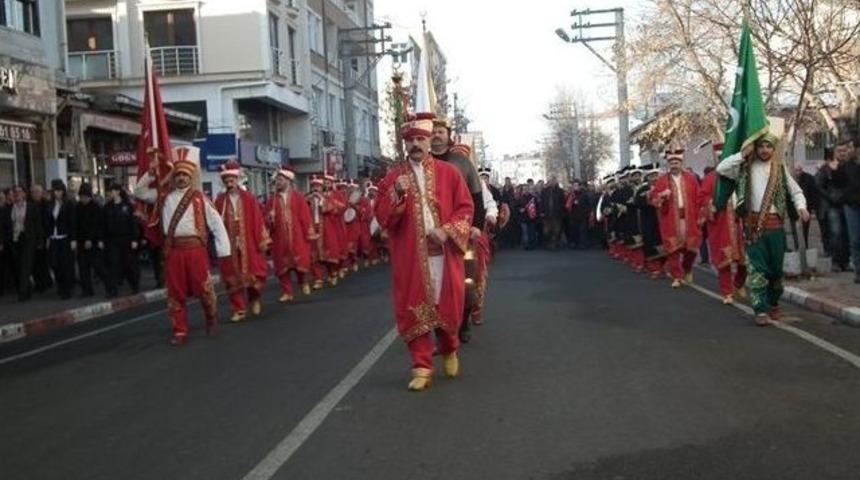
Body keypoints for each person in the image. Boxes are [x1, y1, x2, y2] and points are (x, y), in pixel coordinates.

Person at [375, 112, 474, 391]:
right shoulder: (393, 178)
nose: (416, 144)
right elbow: (383, 217)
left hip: (444, 253)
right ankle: (421, 366)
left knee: (448, 307)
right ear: (405, 144)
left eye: (421, 139)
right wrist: (396, 193)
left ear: (430, 141)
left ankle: (449, 347)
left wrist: (447, 230)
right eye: (411, 140)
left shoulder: (450, 173)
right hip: (411, 258)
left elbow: (466, 208)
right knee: (414, 307)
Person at [134, 147, 231, 345]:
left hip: (196, 250)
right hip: (174, 251)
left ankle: (211, 318)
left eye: (184, 175)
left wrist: (224, 251)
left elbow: (217, 224)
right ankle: (179, 330)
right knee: (175, 292)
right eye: (177, 175)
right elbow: (139, 192)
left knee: (203, 290)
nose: (180, 178)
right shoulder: (163, 196)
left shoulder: (200, 198)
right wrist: (150, 173)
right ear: (173, 176)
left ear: (190, 177)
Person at [716, 130, 809, 325]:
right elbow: (721, 169)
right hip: (753, 229)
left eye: (768, 146)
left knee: (775, 272)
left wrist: (802, 208)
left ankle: (773, 304)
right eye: (761, 146)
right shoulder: (744, 168)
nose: (765, 150)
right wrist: (742, 154)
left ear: (774, 149)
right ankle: (760, 309)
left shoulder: (780, 169)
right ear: (755, 148)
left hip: (776, 229)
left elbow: (796, 192)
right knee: (757, 270)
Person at [215, 160, 270, 322]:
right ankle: (239, 308)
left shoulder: (248, 198)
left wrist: (262, 240)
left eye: (232, 180)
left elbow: (258, 219)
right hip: (229, 244)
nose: (229, 183)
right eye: (227, 181)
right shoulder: (220, 201)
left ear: (237, 180)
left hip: (249, 241)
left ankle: (255, 298)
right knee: (232, 276)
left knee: (254, 274)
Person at [699, 144, 747, 304]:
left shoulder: (741, 176)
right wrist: (709, 204)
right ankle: (727, 292)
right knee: (724, 261)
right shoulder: (711, 178)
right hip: (722, 223)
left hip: (741, 223)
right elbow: (702, 197)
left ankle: (739, 283)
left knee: (745, 261)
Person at [650, 148, 702, 288]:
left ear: (681, 162)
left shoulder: (691, 178)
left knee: (691, 248)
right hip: (670, 219)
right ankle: (677, 276)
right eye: (671, 162)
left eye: (676, 161)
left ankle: (687, 267)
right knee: (672, 249)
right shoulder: (662, 180)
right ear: (668, 164)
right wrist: (661, 196)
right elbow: (653, 199)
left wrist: (700, 215)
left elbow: (699, 197)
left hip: (690, 217)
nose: (674, 164)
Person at [266, 166, 315, 302]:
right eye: (277, 180)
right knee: (282, 266)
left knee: (301, 263)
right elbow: (265, 219)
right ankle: (287, 292)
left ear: (288, 180)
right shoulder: (272, 200)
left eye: (280, 180)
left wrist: (308, 233)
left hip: (297, 236)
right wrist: (269, 217)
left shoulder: (298, 197)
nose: (278, 182)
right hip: (280, 238)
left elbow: (305, 217)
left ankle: (303, 282)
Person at [102, 184, 141, 298]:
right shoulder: (107, 207)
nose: (111, 193)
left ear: (118, 192)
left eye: (112, 191)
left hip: (126, 239)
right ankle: (113, 290)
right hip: (112, 240)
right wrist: (103, 239)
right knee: (113, 265)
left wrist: (135, 239)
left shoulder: (127, 206)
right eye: (110, 191)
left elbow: (133, 223)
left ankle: (134, 285)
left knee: (128, 264)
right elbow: (104, 224)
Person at [815, 145, 850, 271]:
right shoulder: (826, 168)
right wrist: (831, 197)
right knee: (836, 232)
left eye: (844, 151)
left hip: (848, 203)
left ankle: (845, 261)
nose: (842, 153)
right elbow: (818, 184)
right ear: (834, 153)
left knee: (847, 234)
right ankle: (835, 261)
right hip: (831, 205)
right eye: (839, 151)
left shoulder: (849, 167)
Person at [831, 139, 860, 281]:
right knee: (855, 239)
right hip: (852, 206)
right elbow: (838, 183)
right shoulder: (847, 166)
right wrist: (835, 169)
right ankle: (858, 271)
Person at [8, 185, 44, 301]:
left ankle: (22, 293)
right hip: (16, 239)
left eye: (19, 192)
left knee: (25, 265)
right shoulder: (11, 208)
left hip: (28, 238)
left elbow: (38, 225)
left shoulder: (31, 207)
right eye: (15, 192)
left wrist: (40, 240)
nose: (17, 194)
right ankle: (26, 290)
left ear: (24, 194)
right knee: (19, 265)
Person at [46, 179, 77, 299]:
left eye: (58, 190)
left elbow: (72, 222)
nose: (56, 193)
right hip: (53, 238)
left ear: (63, 191)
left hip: (65, 238)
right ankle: (60, 286)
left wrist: (73, 239)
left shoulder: (68, 204)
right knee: (54, 264)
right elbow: (48, 222)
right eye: (54, 191)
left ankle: (67, 289)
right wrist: (48, 237)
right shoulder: (51, 205)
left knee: (65, 265)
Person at [75, 183, 106, 297]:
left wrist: (91, 238)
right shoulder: (78, 207)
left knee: (98, 266)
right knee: (83, 268)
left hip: (93, 242)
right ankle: (87, 290)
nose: (83, 199)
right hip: (81, 241)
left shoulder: (95, 208)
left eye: (85, 197)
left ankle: (110, 286)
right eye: (81, 197)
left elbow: (97, 225)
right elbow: (76, 224)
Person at [29, 183, 53, 292]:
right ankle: (39, 283)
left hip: (44, 236)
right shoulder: (29, 205)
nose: (35, 194)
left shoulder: (46, 205)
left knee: (44, 262)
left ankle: (46, 282)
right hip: (33, 237)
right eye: (33, 192)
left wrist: (48, 237)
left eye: (37, 192)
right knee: (35, 262)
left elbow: (48, 222)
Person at [793, 165, 819, 246]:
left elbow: (812, 193)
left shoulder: (808, 178)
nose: (798, 172)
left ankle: (805, 244)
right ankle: (798, 245)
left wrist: (812, 207)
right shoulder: (792, 179)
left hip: (806, 206)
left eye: (799, 170)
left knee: (805, 227)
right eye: (796, 170)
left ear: (802, 170)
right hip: (794, 208)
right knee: (795, 228)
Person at [540, 175, 566, 250]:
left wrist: (560, 210)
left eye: (553, 180)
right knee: (547, 230)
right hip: (547, 214)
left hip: (557, 214)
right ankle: (548, 243)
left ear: (556, 181)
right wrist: (542, 211)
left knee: (556, 230)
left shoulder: (560, 191)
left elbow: (563, 202)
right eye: (551, 180)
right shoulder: (544, 191)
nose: (552, 182)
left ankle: (555, 244)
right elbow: (542, 202)